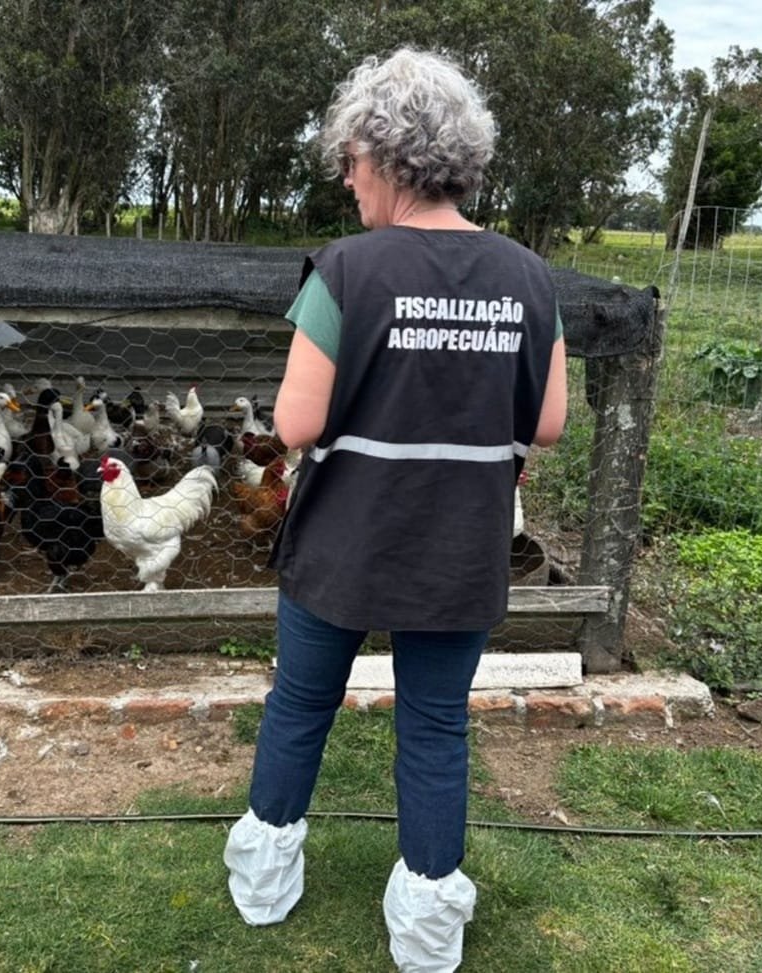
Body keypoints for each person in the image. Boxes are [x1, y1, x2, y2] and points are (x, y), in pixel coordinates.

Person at [222, 46, 568, 971]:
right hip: (458, 547)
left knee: (301, 702)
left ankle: (263, 886)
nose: (346, 177)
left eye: (351, 159)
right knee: (434, 725)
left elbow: (293, 421)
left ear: (387, 157)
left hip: (343, 540)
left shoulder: (345, 270)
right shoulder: (531, 277)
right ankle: (425, 933)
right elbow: (549, 421)